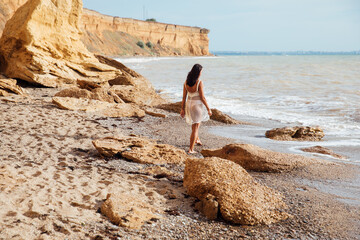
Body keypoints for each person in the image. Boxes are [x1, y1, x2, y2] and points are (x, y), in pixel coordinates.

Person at [180, 64, 212, 153]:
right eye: (201, 71)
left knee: (194, 124)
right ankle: (191, 149)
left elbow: (183, 97)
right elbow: (202, 98)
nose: (201, 73)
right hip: (197, 106)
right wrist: (208, 108)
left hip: (189, 105)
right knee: (196, 127)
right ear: (198, 72)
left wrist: (182, 109)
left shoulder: (186, 82)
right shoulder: (199, 82)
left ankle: (197, 139)